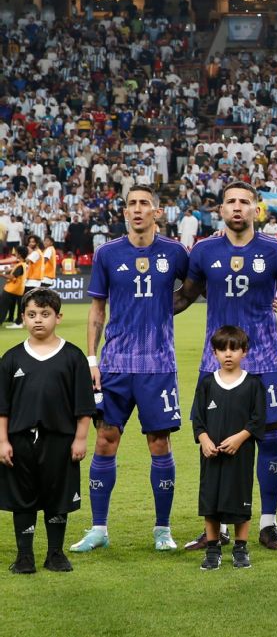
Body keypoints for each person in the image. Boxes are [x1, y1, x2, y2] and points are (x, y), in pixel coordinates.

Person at [174, 182, 277, 551]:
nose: (238, 207)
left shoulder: (275, 251)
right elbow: (186, 296)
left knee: (269, 437)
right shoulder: (203, 251)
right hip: (213, 361)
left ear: (256, 210)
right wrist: (139, 309)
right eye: (231, 201)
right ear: (221, 210)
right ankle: (213, 526)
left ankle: (268, 524)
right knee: (212, 441)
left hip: (264, 360)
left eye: (245, 202)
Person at [72, 185, 190, 554]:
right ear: (124, 212)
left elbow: (194, 288)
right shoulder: (108, 253)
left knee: (159, 443)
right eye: (131, 204)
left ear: (157, 211)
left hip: (159, 366)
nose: (137, 210)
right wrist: (92, 359)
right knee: (106, 441)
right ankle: (98, 529)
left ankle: (162, 530)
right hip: (115, 366)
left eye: (145, 204)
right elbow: (96, 310)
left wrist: (159, 313)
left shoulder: (175, 252)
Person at [0, 288, 94, 575]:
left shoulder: (73, 357)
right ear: (24, 318)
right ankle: (24, 555)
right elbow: (2, 406)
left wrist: (80, 439)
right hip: (20, 441)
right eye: (31, 315)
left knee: (57, 496)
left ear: (58, 317)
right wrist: (2, 440)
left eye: (45, 314)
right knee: (22, 497)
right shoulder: (11, 359)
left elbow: (84, 405)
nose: (38, 320)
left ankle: (55, 553)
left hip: (60, 441)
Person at [191, 326, 266, 571]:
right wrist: (204, 440)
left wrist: (240, 438)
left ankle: (240, 548)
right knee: (210, 502)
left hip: (240, 455)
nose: (228, 354)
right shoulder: (207, 384)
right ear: (214, 352)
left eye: (234, 348)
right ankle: (213, 550)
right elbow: (198, 419)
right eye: (222, 349)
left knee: (240, 501)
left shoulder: (253, 384)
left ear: (245, 351)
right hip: (211, 456)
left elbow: (257, 419)